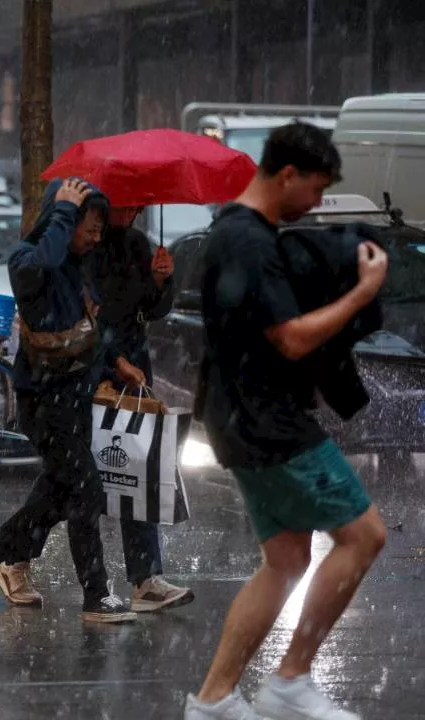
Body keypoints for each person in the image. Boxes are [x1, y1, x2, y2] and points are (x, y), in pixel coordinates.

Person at [184, 123, 388, 719]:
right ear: (287, 174)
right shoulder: (248, 241)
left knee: (286, 562)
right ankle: (291, 679)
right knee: (366, 535)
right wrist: (362, 291)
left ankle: (214, 701)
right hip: (268, 424)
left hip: (239, 422)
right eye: (316, 189)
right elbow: (292, 340)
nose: (317, 203)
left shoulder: (238, 233)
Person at [0, 177, 137, 624]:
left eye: (98, 229)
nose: (96, 237)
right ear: (62, 222)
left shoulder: (79, 265)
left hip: (77, 402)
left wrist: (116, 363)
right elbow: (41, 266)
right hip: (45, 403)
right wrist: (60, 211)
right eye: (87, 227)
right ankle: (96, 596)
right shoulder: (28, 261)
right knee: (87, 494)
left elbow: (88, 330)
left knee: (56, 498)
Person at [90, 211, 194, 612]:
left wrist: (161, 280)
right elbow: (91, 320)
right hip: (100, 370)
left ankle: (146, 578)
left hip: (134, 368)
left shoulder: (136, 243)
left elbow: (150, 310)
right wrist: (113, 361)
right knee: (76, 482)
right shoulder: (89, 247)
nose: (132, 210)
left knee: (139, 470)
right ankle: (12, 554)